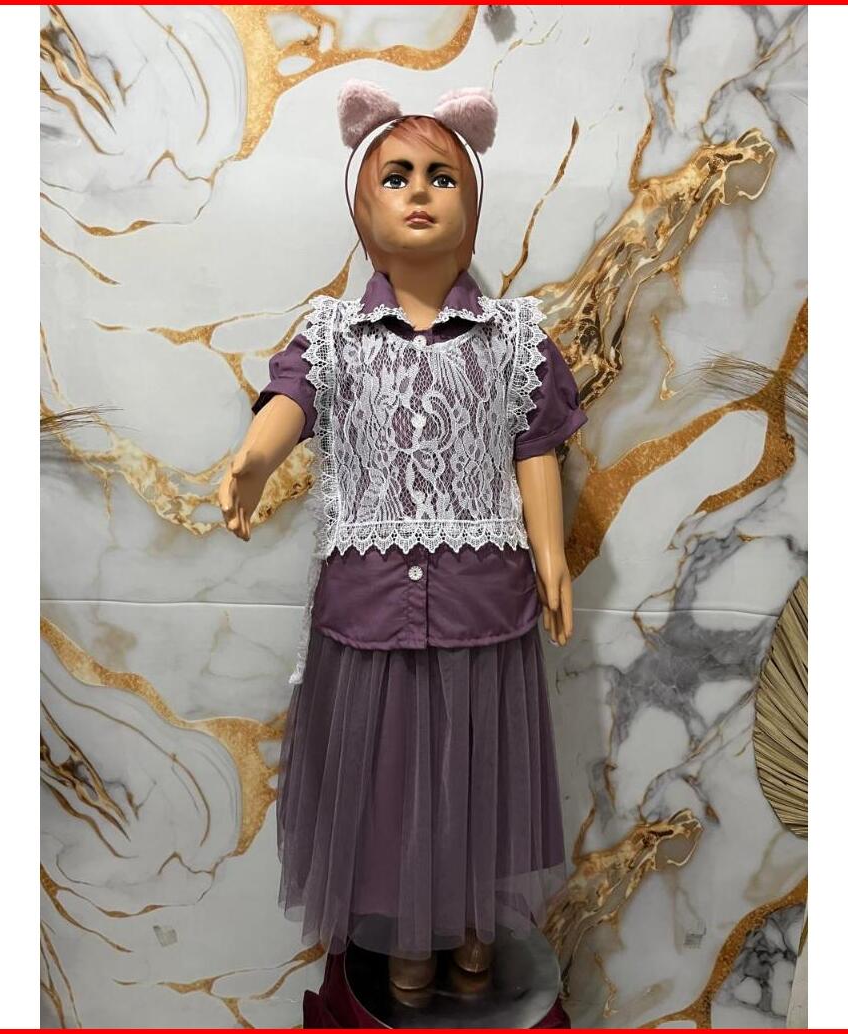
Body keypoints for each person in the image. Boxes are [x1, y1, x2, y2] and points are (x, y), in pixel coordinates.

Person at [218, 79, 586, 992]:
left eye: (440, 176)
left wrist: (550, 555)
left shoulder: (513, 338)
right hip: (369, 613)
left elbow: (534, 445)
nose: (419, 191)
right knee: (388, 786)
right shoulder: (334, 335)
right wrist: (256, 456)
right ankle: (410, 938)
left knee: (477, 778)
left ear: (470, 203)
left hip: (482, 607)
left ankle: (474, 928)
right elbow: (292, 399)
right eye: (397, 176)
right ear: (363, 204)